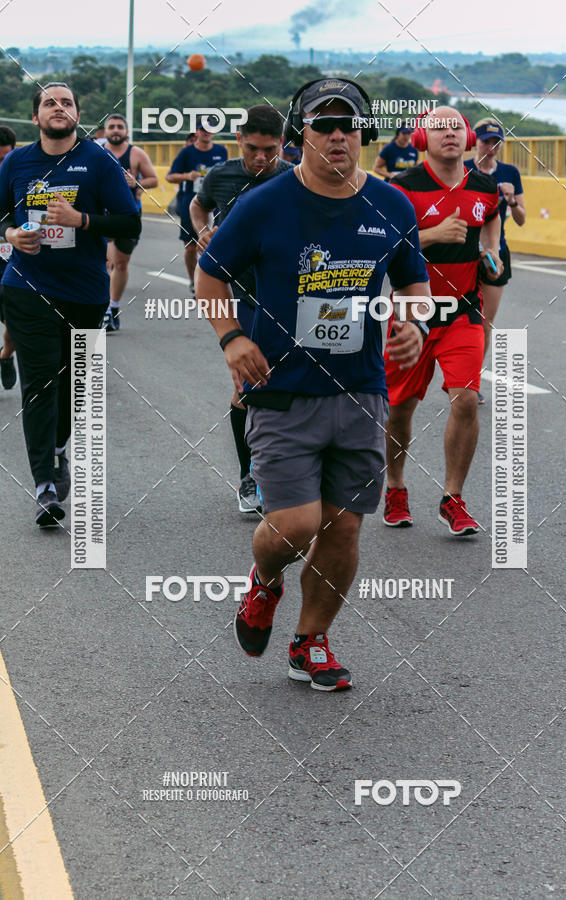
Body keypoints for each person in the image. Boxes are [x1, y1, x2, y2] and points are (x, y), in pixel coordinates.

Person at [196, 78, 429, 691]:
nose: (335, 136)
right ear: (302, 135)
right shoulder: (264, 204)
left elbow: (413, 287)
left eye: (347, 125)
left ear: (363, 134)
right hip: (281, 389)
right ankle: (265, 581)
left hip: (361, 392)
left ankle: (310, 643)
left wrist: (412, 327)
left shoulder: (392, 205)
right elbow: (209, 274)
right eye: (322, 125)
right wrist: (232, 338)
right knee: (295, 526)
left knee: (345, 528)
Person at [0, 82, 140, 526]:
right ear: (36, 116)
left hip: (83, 293)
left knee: (73, 389)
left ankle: (59, 448)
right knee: (40, 382)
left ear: (78, 114)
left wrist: (81, 220)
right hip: (26, 287)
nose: (58, 108)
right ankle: (44, 485)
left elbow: (129, 220)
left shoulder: (97, 161)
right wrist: (10, 235)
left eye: (66, 103)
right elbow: (1, 214)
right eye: (48, 103)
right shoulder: (17, 161)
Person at [383, 107, 502, 536]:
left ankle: (453, 498)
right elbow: (385, 246)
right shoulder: (401, 188)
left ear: (468, 138)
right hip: (413, 314)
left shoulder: (486, 188)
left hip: (463, 312)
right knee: (399, 407)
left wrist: (492, 252)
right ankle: (395, 487)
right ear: (422, 139)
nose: (449, 133)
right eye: (438, 128)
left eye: (456, 127)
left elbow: (490, 226)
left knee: (466, 400)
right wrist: (432, 235)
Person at [189, 105, 293, 515]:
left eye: (270, 149)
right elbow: (200, 206)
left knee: (300, 389)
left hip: (295, 297)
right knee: (248, 388)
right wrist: (202, 230)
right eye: (253, 149)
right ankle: (249, 475)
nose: (261, 158)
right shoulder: (221, 175)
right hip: (245, 296)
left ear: (282, 145)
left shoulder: (295, 178)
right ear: (239, 141)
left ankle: (293, 475)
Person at [465, 119, 526, 403]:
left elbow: (522, 219)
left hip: (495, 254)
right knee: (455, 318)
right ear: (475, 141)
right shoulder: (463, 169)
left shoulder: (510, 172)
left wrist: (512, 201)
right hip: (462, 253)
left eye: (496, 142)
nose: (491, 147)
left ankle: (471, 382)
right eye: (485, 141)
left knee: (485, 322)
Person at [102, 113, 158, 331]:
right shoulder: (97, 152)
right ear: (106, 131)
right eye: (112, 126)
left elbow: (153, 179)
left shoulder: (136, 154)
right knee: (106, 262)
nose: (116, 130)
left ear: (126, 131)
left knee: (121, 263)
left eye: (119, 127)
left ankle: (113, 308)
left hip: (128, 216)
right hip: (102, 216)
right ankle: (103, 309)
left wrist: (138, 182)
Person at [166, 119, 228, 294]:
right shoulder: (187, 152)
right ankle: (193, 280)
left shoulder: (221, 151)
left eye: (209, 129)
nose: (206, 132)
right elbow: (170, 177)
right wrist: (187, 175)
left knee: (215, 243)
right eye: (202, 129)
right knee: (191, 246)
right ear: (196, 132)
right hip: (191, 202)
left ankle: (212, 281)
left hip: (215, 203)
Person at [0, 125, 17, 390]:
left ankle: (5, 356)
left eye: (4, 158)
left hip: (11, 257)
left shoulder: (22, 175)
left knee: (17, 318)